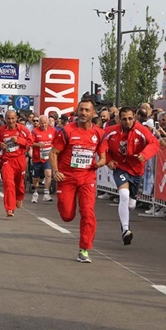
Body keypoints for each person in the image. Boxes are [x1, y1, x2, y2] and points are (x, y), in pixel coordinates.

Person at [49, 98, 107, 263]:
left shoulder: (99, 134)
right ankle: (65, 208)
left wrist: (97, 164)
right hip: (67, 177)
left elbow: (103, 157)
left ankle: (84, 249)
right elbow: (53, 153)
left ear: (93, 113)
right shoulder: (67, 131)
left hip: (87, 177)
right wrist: (56, 171)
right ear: (77, 111)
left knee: (88, 212)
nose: (83, 113)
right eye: (81, 109)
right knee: (67, 215)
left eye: (87, 110)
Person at [104, 107, 159, 246]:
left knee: (131, 204)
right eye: (124, 119)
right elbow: (101, 146)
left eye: (130, 118)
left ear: (134, 117)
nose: (127, 122)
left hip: (136, 170)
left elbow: (154, 143)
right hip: (120, 167)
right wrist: (108, 160)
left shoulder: (141, 130)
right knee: (123, 195)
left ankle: (124, 218)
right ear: (119, 119)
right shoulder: (111, 131)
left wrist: (144, 154)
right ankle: (126, 230)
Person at [0, 110, 33, 216]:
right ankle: (10, 208)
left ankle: (19, 197)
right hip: (7, 160)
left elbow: (30, 142)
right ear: (5, 119)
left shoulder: (23, 130)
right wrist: (0, 144)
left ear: (16, 118)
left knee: (19, 183)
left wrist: (19, 140)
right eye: (8, 118)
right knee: (8, 182)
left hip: (20, 159)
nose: (10, 121)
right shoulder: (1, 130)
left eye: (12, 118)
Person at [30, 115, 57, 203]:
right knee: (36, 178)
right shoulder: (35, 131)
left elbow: (57, 141)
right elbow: (30, 142)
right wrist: (38, 144)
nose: (43, 125)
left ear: (48, 123)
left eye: (45, 123)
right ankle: (35, 192)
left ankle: (46, 193)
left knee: (48, 174)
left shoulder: (52, 130)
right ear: (39, 123)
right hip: (37, 158)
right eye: (42, 123)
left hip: (48, 157)